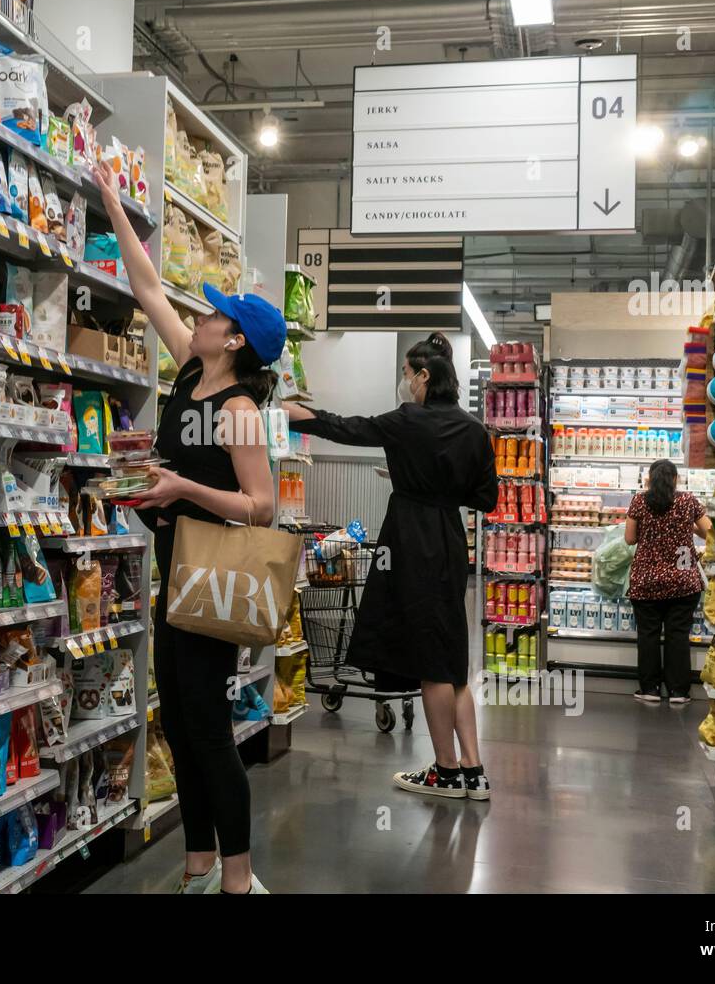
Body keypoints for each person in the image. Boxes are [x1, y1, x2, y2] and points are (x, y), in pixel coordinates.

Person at [94, 162, 283, 894]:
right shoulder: (186, 376)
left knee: (207, 729)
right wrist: (113, 201)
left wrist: (182, 486)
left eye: (212, 314)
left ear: (233, 340)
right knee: (177, 716)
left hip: (211, 574)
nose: (198, 316)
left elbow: (261, 505)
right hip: (173, 562)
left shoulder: (238, 407)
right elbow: (146, 287)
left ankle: (238, 880)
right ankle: (197, 865)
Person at [283, 334, 499, 800]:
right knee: (452, 657)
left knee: (429, 662)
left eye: (406, 372)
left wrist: (284, 411)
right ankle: (473, 769)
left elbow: (345, 428)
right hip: (449, 538)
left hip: (410, 539)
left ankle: (444, 769)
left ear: (423, 376)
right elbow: (486, 498)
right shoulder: (475, 430)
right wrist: (442, 488)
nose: (404, 381)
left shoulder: (406, 421)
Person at [623, 458, 711, 704]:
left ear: (649, 480)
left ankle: (650, 689)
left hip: (646, 581)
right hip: (683, 581)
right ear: (675, 479)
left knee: (648, 635)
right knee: (677, 635)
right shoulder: (687, 500)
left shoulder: (640, 501)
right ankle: (678, 691)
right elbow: (709, 531)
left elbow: (629, 539)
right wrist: (688, 526)